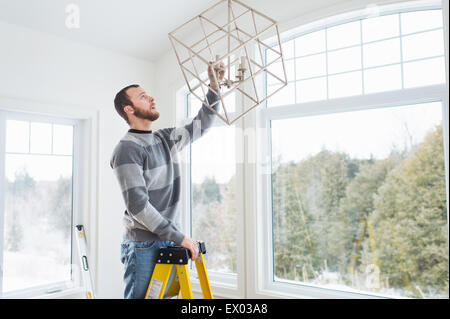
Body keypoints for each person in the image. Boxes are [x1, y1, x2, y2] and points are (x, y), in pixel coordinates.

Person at [110, 62, 225, 299]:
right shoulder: (126, 149)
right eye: (143, 97)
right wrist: (179, 237)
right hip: (143, 246)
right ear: (129, 109)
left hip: (168, 239)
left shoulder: (164, 138)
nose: (151, 98)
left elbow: (201, 125)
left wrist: (214, 87)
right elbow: (138, 206)